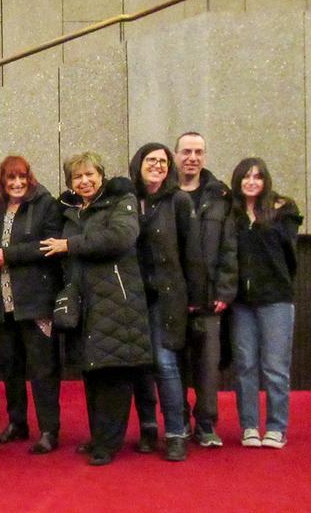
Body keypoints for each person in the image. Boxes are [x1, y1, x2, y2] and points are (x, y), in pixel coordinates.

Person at [41, 152, 151, 466]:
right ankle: (100, 435)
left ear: (101, 175)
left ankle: (108, 444)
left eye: (90, 174)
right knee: (92, 372)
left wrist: (70, 245)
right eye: (77, 177)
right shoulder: (72, 210)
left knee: (113, 374)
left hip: (116, 302)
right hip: (85, 303)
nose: (85, 181)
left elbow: (120, 238)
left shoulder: (121, 201)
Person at [0, 156, 63, 454]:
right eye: (10, 179)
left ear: (30, 178)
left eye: (21, 178)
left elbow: (49, 246)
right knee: (10, 367)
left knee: (42, 369)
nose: (17, 184)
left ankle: (49, 430)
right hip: (4, 304)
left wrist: (8, 255)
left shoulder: (46, 205)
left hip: (36, 302)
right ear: (2, 182)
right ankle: (17, 423)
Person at [128, 142, 204, 461]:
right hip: (133, 297)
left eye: (163, 161)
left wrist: (196, 298)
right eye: (151, 159)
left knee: (164, 362)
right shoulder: (126, 200)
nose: (157, 165)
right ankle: (148, 428)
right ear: (138, 164)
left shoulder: (178, 201)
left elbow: (193, 252)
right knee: (140, 365)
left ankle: (175, 432)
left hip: (168, 297)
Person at [229, 158, 302, 449]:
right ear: (238, 181)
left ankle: (276, 427)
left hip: (276, 300)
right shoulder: (232, 213)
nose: (251, 182)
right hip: (241, 303)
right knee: (245, 365)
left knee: (275, 367)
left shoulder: (282, 210)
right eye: (246, 177)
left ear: (265, 181)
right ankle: (249, 425)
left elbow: (289, 255)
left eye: (257, 177)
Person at [175, 132, 238, 448]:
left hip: (211, 298)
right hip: (174, 299)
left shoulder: (220, 196)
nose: (192, 158)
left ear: (205, 156)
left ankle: (206, 424)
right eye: (186, 151)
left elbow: (230, 247)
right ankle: (179, 423)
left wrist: (225, 291)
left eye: (198, 152)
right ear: (176, 156)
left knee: (208, 368)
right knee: (174, 369)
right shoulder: (166, 195)